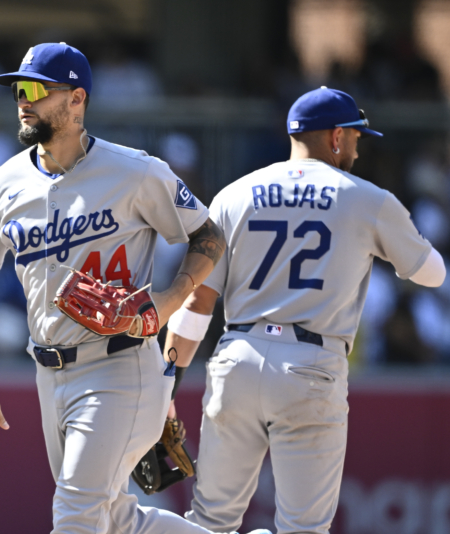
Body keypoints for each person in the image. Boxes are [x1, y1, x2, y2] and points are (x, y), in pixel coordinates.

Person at [0, 42, 269, 534]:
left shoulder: (135, 171)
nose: (23, 100)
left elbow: (209, 235)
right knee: (114, 518)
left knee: (75, 515)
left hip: (121, 366)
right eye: (17, 90)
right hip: (49, 372)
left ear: (77, 100)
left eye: (35, 89)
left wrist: (170, 298)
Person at [165, 87, 446, 534]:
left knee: (210, 522)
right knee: (303, 528)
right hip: (309, 366)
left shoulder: (234, 194)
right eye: (355, 137)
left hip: (237, 356)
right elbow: (432, 274)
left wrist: (167, 385)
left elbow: (198, 302)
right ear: (336, 137)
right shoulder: (368, 198)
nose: (356, 147)